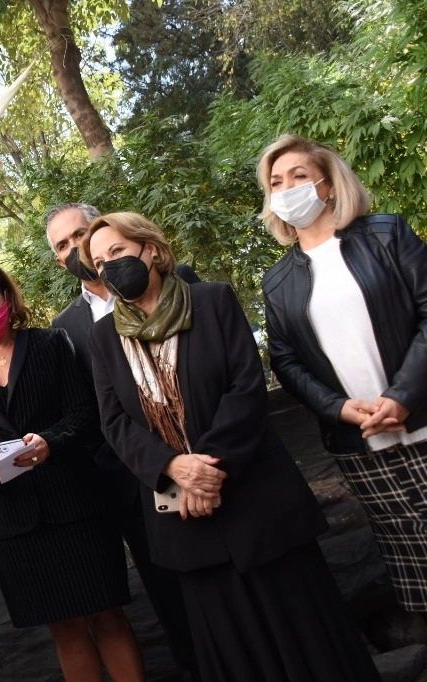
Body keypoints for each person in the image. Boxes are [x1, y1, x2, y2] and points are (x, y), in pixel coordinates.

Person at [84, 212, 379, 681]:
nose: (109, 267)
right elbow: (113, 421)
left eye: (117, 251)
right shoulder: (103, 338)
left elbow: (245, 387)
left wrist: (208, 472)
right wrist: (174, 469)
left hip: (257, 506)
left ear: (151, 249)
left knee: (308, 641)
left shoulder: (213, 300)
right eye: (99, 263)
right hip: (185, 524)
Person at [0, 260, 144, 682]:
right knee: (64, 630)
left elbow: (86, 412)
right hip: (14, 523)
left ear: (8, 299)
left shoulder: (51, 344)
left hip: (77, 507)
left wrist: (52, 440)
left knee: (108, 616)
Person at [259, 134, 427, 615]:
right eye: (276, 182)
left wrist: (403, 395)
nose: (286, 188)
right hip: (361, 446)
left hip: (422, 420)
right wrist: (339, 410)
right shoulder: (278, 282)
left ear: (329, 185)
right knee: (416, 567)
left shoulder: (386, 234)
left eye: (298, 176)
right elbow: (286, 362)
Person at [46, 203, 200, 679]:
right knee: (173, 599)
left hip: (203, 459)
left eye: (79, 235)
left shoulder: (179, 282)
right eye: (62, 245)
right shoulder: (64, 329)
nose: (74, 248)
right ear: (58, 260)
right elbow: (86, 411)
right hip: (135, 484)